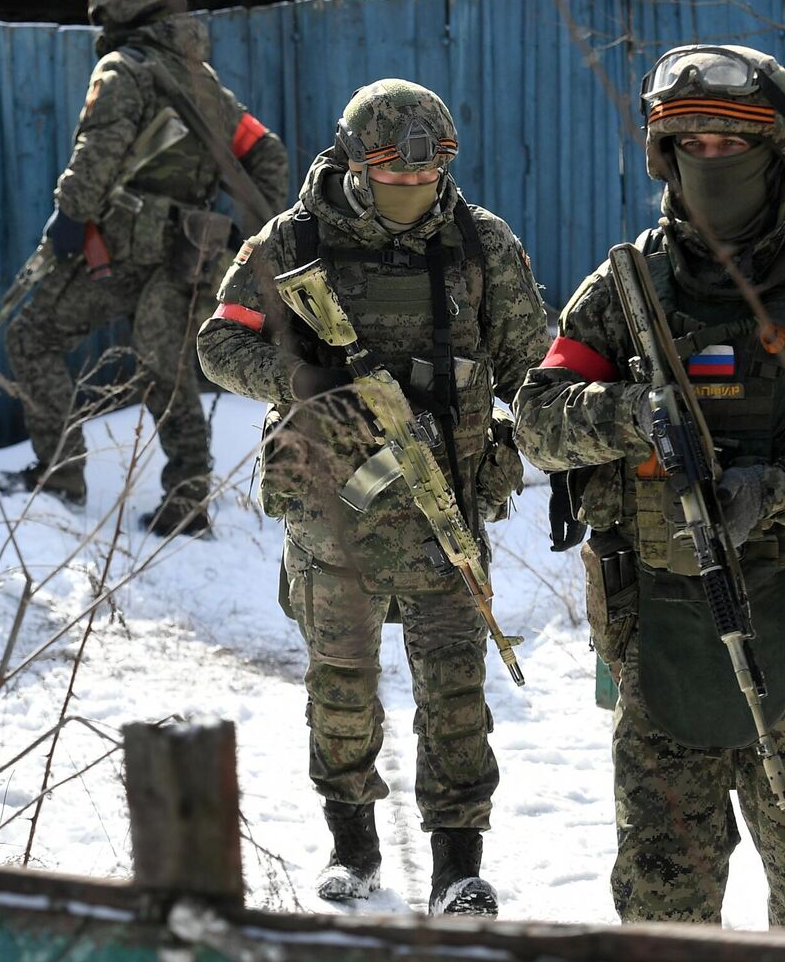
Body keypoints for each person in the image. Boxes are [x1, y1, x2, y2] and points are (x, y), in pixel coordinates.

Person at [511, 44, 785, 927]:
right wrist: (634, 414)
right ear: (663, 157)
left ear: (780, 152)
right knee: (663, 893)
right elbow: (537, 419)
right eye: (688, 143)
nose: (710, 160)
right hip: (664, 627)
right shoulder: (627, 289)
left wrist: (776, 490)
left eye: (730, 141)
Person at [198, 79, 547, 916]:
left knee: (456, 697)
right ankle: (352, 845)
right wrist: (303, 377)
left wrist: (538, 451)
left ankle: (457, 866)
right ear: (356, 165)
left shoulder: (480, 244)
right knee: (342, 689)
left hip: (444, 513)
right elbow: (218, 345)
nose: (412, 192)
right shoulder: (292, 244)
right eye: (393, 179)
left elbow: (537, 371)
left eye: (425, 179)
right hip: (333, 517)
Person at [0, 0, 288, 536]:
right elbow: (268, 155)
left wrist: (68, 218)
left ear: (116, 11)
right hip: (184, 258)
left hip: (120, 252)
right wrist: (249, 238)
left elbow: (97, 155)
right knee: (169, 372)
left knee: (31, 338)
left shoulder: (121, 69)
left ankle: (60, 476)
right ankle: (188, 502)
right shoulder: (203, 82)